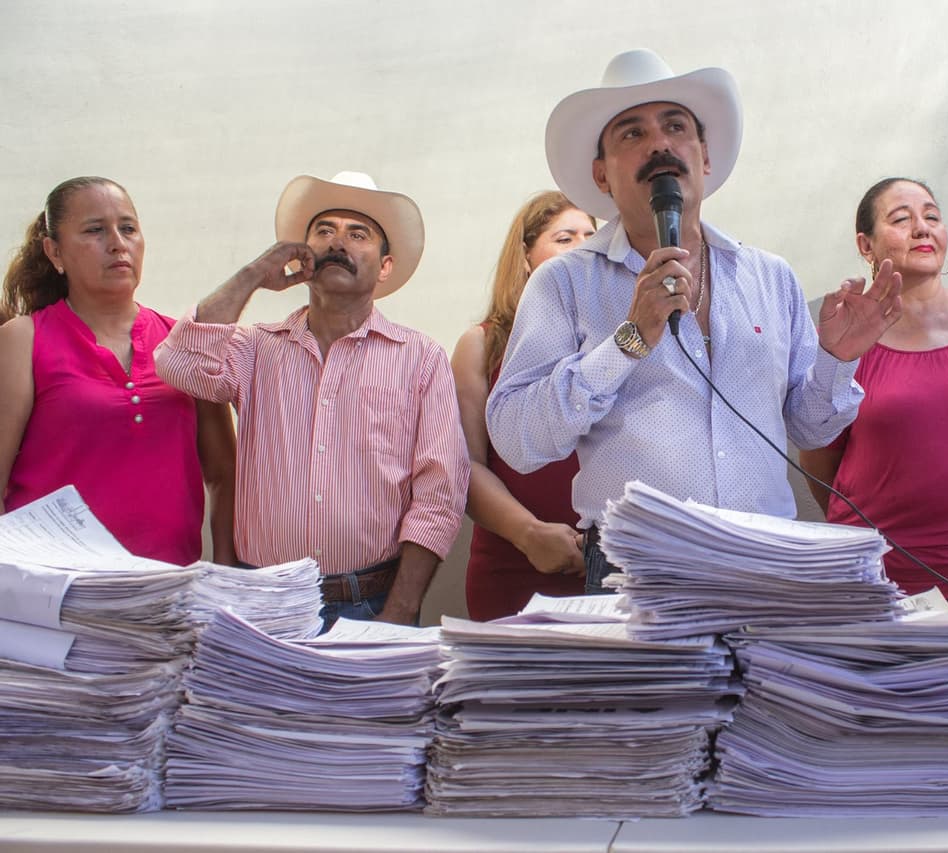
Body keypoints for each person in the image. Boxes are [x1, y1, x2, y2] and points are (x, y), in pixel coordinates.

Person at [486, 49, 902, 593]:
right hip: (641, 571)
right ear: (601, 175)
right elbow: (517, 439)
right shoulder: (564, 283)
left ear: (704, 156)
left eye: (676, 127)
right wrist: (629, 340)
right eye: (632, 133)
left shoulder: (769, 276)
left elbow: (809, 428)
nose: (659, 144)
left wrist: (836, 360)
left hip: (769, 563)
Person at [155, 171, 469, 626]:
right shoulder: (256, 347)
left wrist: (400, 610)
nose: (337, 242)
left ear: (385, 266)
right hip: (264, 604)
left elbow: (440, 492)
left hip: (371, 605)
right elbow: (177, 362)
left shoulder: (421, 358)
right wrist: (253, 275)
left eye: (357, 234)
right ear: (302, 256)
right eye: (324, 231)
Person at [799, 179, 948, 599]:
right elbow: (817, 455)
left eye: (932, 216)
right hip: (880, 580)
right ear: (866, 245)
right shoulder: (844, 338)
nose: (922, 228)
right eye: (901, 219)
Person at [0, 176, 235, 565]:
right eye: (94, 230)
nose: (117, 243)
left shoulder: (185, 344)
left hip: (168, 586)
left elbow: (224, 473)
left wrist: (225, 574)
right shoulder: (23, 339)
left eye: (128, 228)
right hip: (57, 589)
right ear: (54, 252)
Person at [452, 192, 595, 621]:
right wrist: (530, 534)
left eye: (592, 237)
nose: (583, 248)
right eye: (565, 238)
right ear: (526, 258)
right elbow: (467, 465)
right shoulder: (481, 345)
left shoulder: (621, 342)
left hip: (612, 567)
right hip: (515, 567)